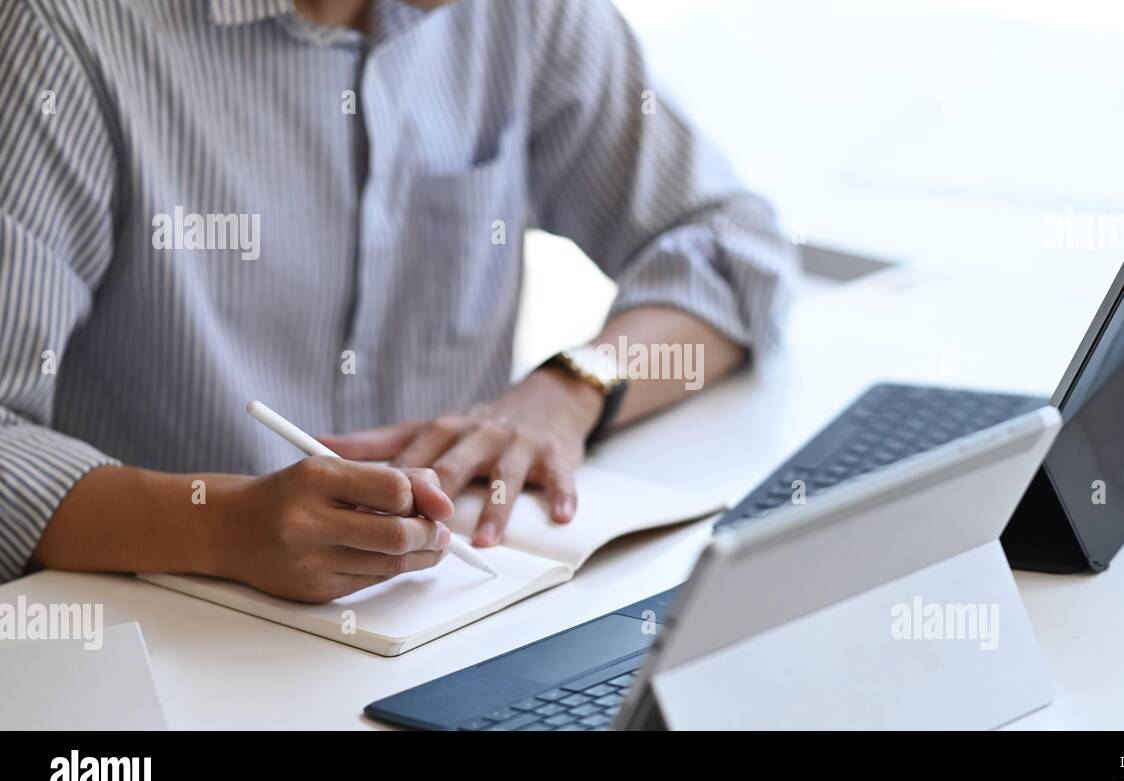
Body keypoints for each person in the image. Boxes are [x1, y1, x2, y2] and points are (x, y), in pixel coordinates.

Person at [0, 0, 794, 602]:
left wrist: (572, 388)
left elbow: (731, 244)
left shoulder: (522, 15)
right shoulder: (59, 35)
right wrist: (222, 526)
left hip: (458, 613)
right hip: (161, 643)